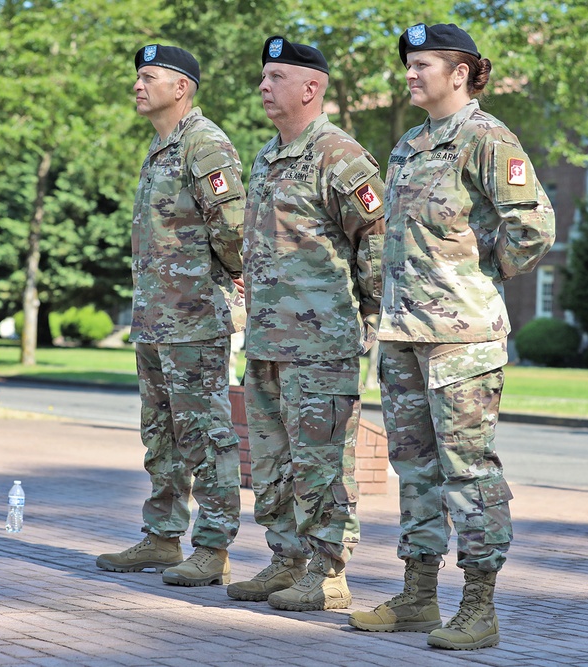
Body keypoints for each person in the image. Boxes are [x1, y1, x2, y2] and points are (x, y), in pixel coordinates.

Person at [347, 23, 555, 650]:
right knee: (415, 468)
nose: (410, 74)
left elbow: (534, 225)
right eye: (408, 64)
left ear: (459, 72)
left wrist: (479, 274)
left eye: (423, 64)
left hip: (460, 336)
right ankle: (417, 596)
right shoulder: (410, 144)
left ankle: (479, 605)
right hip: (404, 331)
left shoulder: (487, 139)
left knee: (469, 470)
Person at [225, 36, 386, 612]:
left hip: (321, 343)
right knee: (270, 460)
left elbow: (376, 239)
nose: (263, 87)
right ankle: (286, 560)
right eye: (263, 77)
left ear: (310, 88)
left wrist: (369, 318)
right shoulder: (268, 155)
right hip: (268, 338)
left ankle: (329, 573)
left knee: (321, 461)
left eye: (275, 77)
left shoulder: (340, 155)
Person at [96, 44, 245, 587]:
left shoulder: (204, 146)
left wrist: (232, 276)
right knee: (159, 433)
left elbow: (233, 230)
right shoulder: (160, 149)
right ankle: (162, 536)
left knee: (204, 434)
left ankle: (213, 545)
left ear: (180, 87)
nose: (137, 85)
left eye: (148, 77)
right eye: (137, 76)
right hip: (155, 317)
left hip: (194, 319)